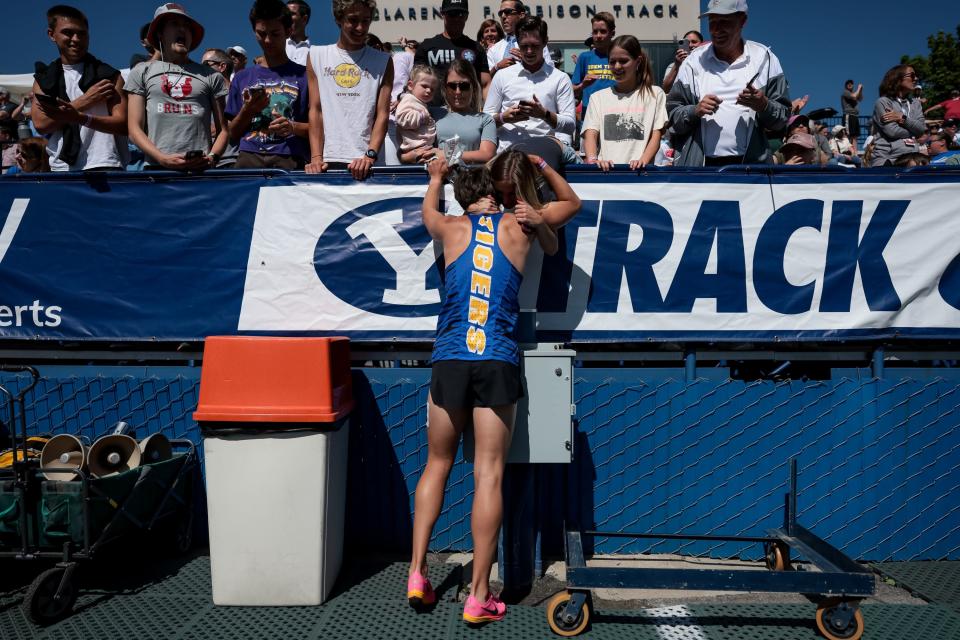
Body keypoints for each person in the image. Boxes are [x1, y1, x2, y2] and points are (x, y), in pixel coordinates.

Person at [409, 150, 563, 625]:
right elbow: (570, 205)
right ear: (497, 195)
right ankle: (478, 594)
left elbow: (427, 212)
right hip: (495, 357)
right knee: (489, 474)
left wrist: (435, 177)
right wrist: (539, 171)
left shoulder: (450, 228)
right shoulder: (520, 227)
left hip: (451, 357)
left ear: (462, 200)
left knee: (437, 464)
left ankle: (417, 573)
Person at [666, 0, 791, 166]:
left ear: (742, 21)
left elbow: (783, 119)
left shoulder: (765, 58)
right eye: (712, 22)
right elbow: (672, 119)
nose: (717, 30)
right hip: (701, 172)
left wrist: (763, 105)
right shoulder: (692, 62)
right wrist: (695, 111)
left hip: (751, 173)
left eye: (724, 21)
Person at [125, 3, 229, 171]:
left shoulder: (211, 75)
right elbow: (134, 128)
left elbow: (223, 130)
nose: (182, 30)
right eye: (174, 24)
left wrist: (212, 158)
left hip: (200, 171)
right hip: (156, 171)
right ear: (160, 33)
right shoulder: (141, 71)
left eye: (187, 27)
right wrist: (162, 158)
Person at [32, 5, 127, 173]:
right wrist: (84, 102)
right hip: (61, 168)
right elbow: (41, 124)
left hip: (105, 164)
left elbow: (123, 124)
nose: (76, 39)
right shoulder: (44, 79)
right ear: (51, 34)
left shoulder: (109, 75)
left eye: (82, 33)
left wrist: (77, 117)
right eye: (68, 32)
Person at [305, 0, 393, 179]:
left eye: (366, 21)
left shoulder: (384, 61)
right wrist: (316, 157)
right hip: (327, 162)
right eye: (353, 20)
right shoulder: (316, 55)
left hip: (367, 163)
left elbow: (382, 114)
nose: (360, 27)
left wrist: (370, 155)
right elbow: (316, 109)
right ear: (339, 18)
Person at [226, 0, 309, 169]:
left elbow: (318, 127)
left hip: (290, 159)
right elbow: (231, 133)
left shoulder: (305, 76)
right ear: (253, 31)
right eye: (261, 34)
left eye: (275, 33)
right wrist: (247, 110)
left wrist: (293, 127)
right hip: (248, 159)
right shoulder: (241, 78)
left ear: (289, 31)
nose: (268, 40)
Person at [482, 16, 575, 150]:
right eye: (524, 46)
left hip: (546, 153)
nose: (529, 51)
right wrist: (503, 118)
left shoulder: (560, 78)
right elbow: (485, 121)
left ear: (545, 42)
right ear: (517, 43)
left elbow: (570, 125)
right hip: (509, 154)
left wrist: (544, 115)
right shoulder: (502, 76)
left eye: (534, 46)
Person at [582, 35, 667, 171]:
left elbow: (655, 136)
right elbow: (590, 133)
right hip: (606, 174)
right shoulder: (597, 98)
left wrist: (642, 162)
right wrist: (593, 161)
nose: (617, 66)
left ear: (637, 61)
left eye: (623, 61)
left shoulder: (655, 94)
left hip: (640, 175)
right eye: (612, 61)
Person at [400, 60, 496, 165]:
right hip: (434, 177)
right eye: (452, 86)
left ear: (473, 87)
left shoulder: (485, 119)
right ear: (445, 88)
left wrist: (447, 155)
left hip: (470, 179)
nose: (458, 92)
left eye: (464, 86)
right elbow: (403, 153)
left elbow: (487, 154)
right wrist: (414, 155)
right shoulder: (428, 113)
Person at [414, 0, 490, 106]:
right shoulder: (427, 46)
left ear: (466, 16)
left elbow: (485, 84)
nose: (456, 19)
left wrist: (489, 110)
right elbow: (416, 81)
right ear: (443, 14)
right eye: (452, 14)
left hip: (468, 114)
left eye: (460, 14)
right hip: (435, 113)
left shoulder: (476, 48)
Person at [869, 64, 924, 167]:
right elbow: (892, 131)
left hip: (911, 157)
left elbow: (921, 129)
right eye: (912, 75)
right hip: (888, 159)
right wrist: (913, 131)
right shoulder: (883, 102)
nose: (916, 79)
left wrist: (902, 118)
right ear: (898, 78)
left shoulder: (916, 104)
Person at [485, 0, 551, 76]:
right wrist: (497, 67)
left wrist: (530, 59)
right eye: (500, 13)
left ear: (521, 15)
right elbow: (486, 81)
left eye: (508, 12)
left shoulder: (535, 45)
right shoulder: (494, 49)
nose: (503, 16)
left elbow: (549, 69)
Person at [571, 12, 616, 120]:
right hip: (589, 117)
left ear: (612, 33)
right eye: (595, 32)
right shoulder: (584, 57)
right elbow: (571, 91)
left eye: (603, 31)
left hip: (615, 115)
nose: (598, 36)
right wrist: (582, 86)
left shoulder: (620, 57)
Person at [202, 48, 239, 167]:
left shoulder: (240, 95)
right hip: (206, 164)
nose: (200, 70)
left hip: (232, 163)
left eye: (206, 64)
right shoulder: (202, 98)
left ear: (222, 67)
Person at [395, 66, 439, 161]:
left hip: (424, 147)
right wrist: (421, 117)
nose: (428, 91)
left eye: (432, 89)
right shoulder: (408, 99)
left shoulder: (419, 102)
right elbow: (401, 118)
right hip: (414, 148)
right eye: (424, 86)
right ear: (410, 85)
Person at [661, 29, 704, 94]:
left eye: (694, 42)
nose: (690, 45)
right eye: (687, 42)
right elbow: (665, 89)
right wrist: (677, 65)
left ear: (701, 44)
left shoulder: (706, 64)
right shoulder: (673, 66)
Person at [840, 79, 863, 154]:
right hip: (848, 115)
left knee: (855, 136)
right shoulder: (845, 92)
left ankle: (855, 152)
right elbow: (854, 97)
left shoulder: (854, 93)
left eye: (851, 84)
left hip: (855, 116)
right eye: (848, 84)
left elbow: (860, 98)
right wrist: (859, 88)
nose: (850, 85)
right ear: (846, 86)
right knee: (848, 135)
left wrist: (861, 90)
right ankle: (848, 151)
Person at [285, 0, 311, 65]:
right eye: (285, 14)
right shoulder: (276, 47)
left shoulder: (314, 54)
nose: (286, 18)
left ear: (304, 19)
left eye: (291, 14)